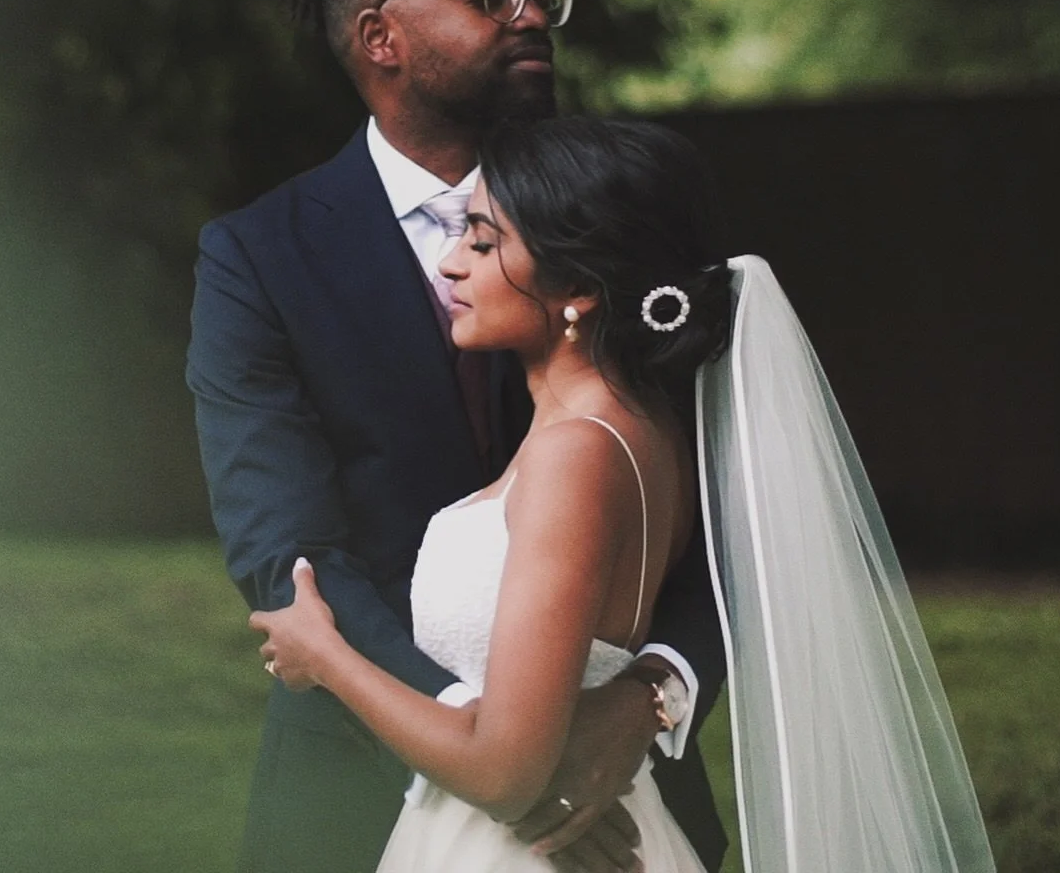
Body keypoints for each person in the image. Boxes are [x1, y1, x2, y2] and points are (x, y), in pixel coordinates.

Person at [252, 118, 999, 873]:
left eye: (482, 241)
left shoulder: (577, 454)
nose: (450, 265)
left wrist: (326, 655)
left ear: (577, 286)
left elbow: (504, 775)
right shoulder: (640, 430)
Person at [187, 0, 727, 873]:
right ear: (381, 38)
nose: (531, 12)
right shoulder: (257, 258)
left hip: (625, 797)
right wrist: (492, 752)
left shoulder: (618, 207)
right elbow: (286, 549)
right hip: (354, 795)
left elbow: (729, 503)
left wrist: (654, 692)